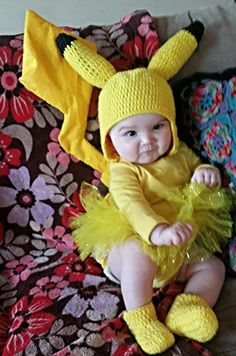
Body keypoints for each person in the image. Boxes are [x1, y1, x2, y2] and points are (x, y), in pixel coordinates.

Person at [56, 21, 232, 354]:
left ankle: (188, 306)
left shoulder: (179, 155)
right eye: (131, 133)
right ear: (111, 139)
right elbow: (131, 205)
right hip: (136, 239)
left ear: (171, 125)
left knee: (214, 266)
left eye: (156, 126)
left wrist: (206, 174)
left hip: (178, 245)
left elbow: (197, 172)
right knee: (137, 255)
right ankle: (141, 316)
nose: (148, 140)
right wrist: (157, 231)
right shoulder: (123, 171)